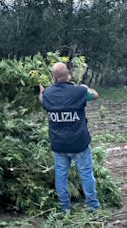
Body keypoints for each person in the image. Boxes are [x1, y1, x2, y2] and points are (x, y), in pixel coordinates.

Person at [39, 62, 100, 213]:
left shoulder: (47, 94)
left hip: (59, 145)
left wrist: (41, 91)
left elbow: (42, 100)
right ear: (68, 75)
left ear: (53, 77)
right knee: (86, 174)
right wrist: (86, 88)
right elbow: (95, 95)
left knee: (60, 175)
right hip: (79, 144)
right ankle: (92, 206)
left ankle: (64, 208)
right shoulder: (78, 92)